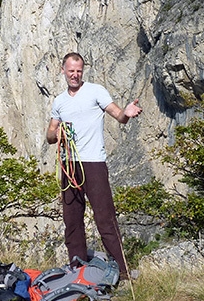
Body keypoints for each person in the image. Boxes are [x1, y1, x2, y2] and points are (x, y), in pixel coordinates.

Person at [46, 52, 142, 279]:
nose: (75, 75)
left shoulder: (95, 91)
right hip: (70, 166)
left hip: (94, 163)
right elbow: (50, 135)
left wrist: (126, 114)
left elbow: (118, 114)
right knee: (72, 218)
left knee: (104, 216)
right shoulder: (59, 102)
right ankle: (77, 268)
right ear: (63, 70)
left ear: (83, 71)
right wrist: (56, 131)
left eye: (78, 71)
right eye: (71, 71)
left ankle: (122, 270)